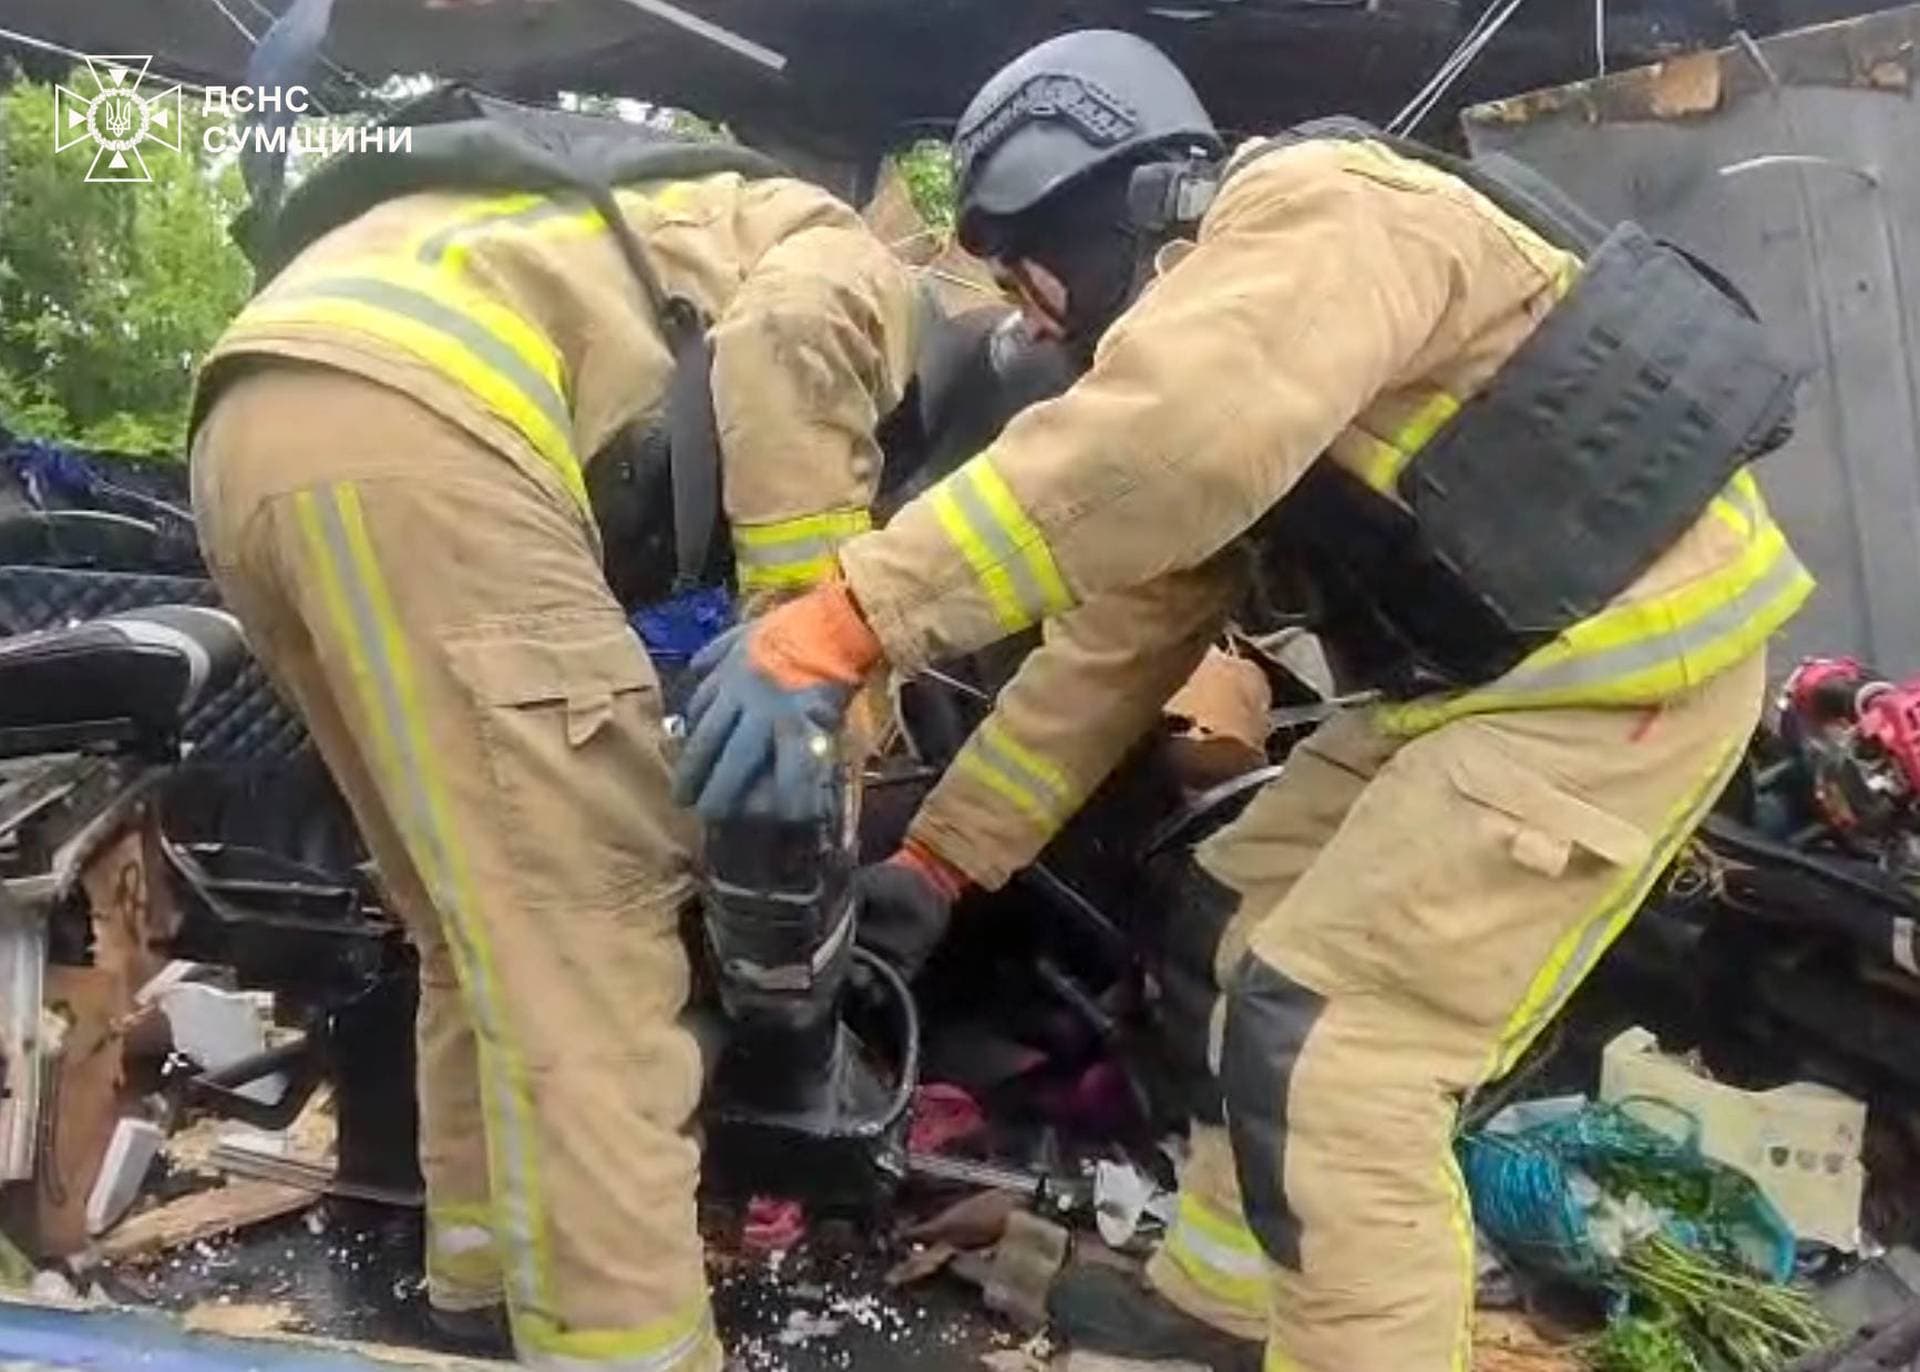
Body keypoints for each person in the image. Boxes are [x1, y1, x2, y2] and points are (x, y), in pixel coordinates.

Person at [673, 29, 1812, 1372]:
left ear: (1096, 202)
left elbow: (1165, 441)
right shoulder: (1249, 325)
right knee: (1230, 924)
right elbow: (1117, 647)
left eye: (1031, 278)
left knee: (1339, 1060)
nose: (1036, 323)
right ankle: (1227, 1302)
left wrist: (846, 617)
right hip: (1495, 683)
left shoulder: (1315, 217)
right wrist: (943, 855)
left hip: (1617, 682)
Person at [189, 97, 919, 1372]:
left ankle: (473, 1290)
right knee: (591, 954)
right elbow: (794, 349)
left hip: (252, 424)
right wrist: (829, 683)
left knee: (468, 924)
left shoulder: (611, 212)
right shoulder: (856, 258)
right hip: (433, 439)